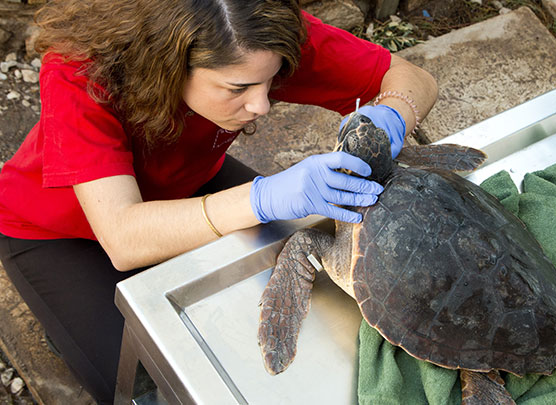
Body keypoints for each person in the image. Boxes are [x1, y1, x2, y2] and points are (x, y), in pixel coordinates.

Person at [0, 0, 438, 403]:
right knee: (149, 387)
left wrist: (392, 115)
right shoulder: (81, 71)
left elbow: (412, 78)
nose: (262, 105)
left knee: (322, 299)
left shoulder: (256, 37)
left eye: (271, 81)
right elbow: (122, 236)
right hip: (59, 232)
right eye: (238, 88)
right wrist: (263, 198)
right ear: (168, 65)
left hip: (191, 184)